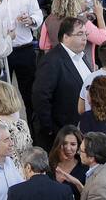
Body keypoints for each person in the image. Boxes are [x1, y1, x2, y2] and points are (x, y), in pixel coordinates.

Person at [31, 17, 92, 152]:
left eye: (85, 34)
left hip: (80, 130)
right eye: (79, 34)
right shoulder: (52, 60)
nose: (85, 38)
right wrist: (52, 130)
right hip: (59, 135)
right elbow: (40, 97)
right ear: (66, 37)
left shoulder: (82, 57)